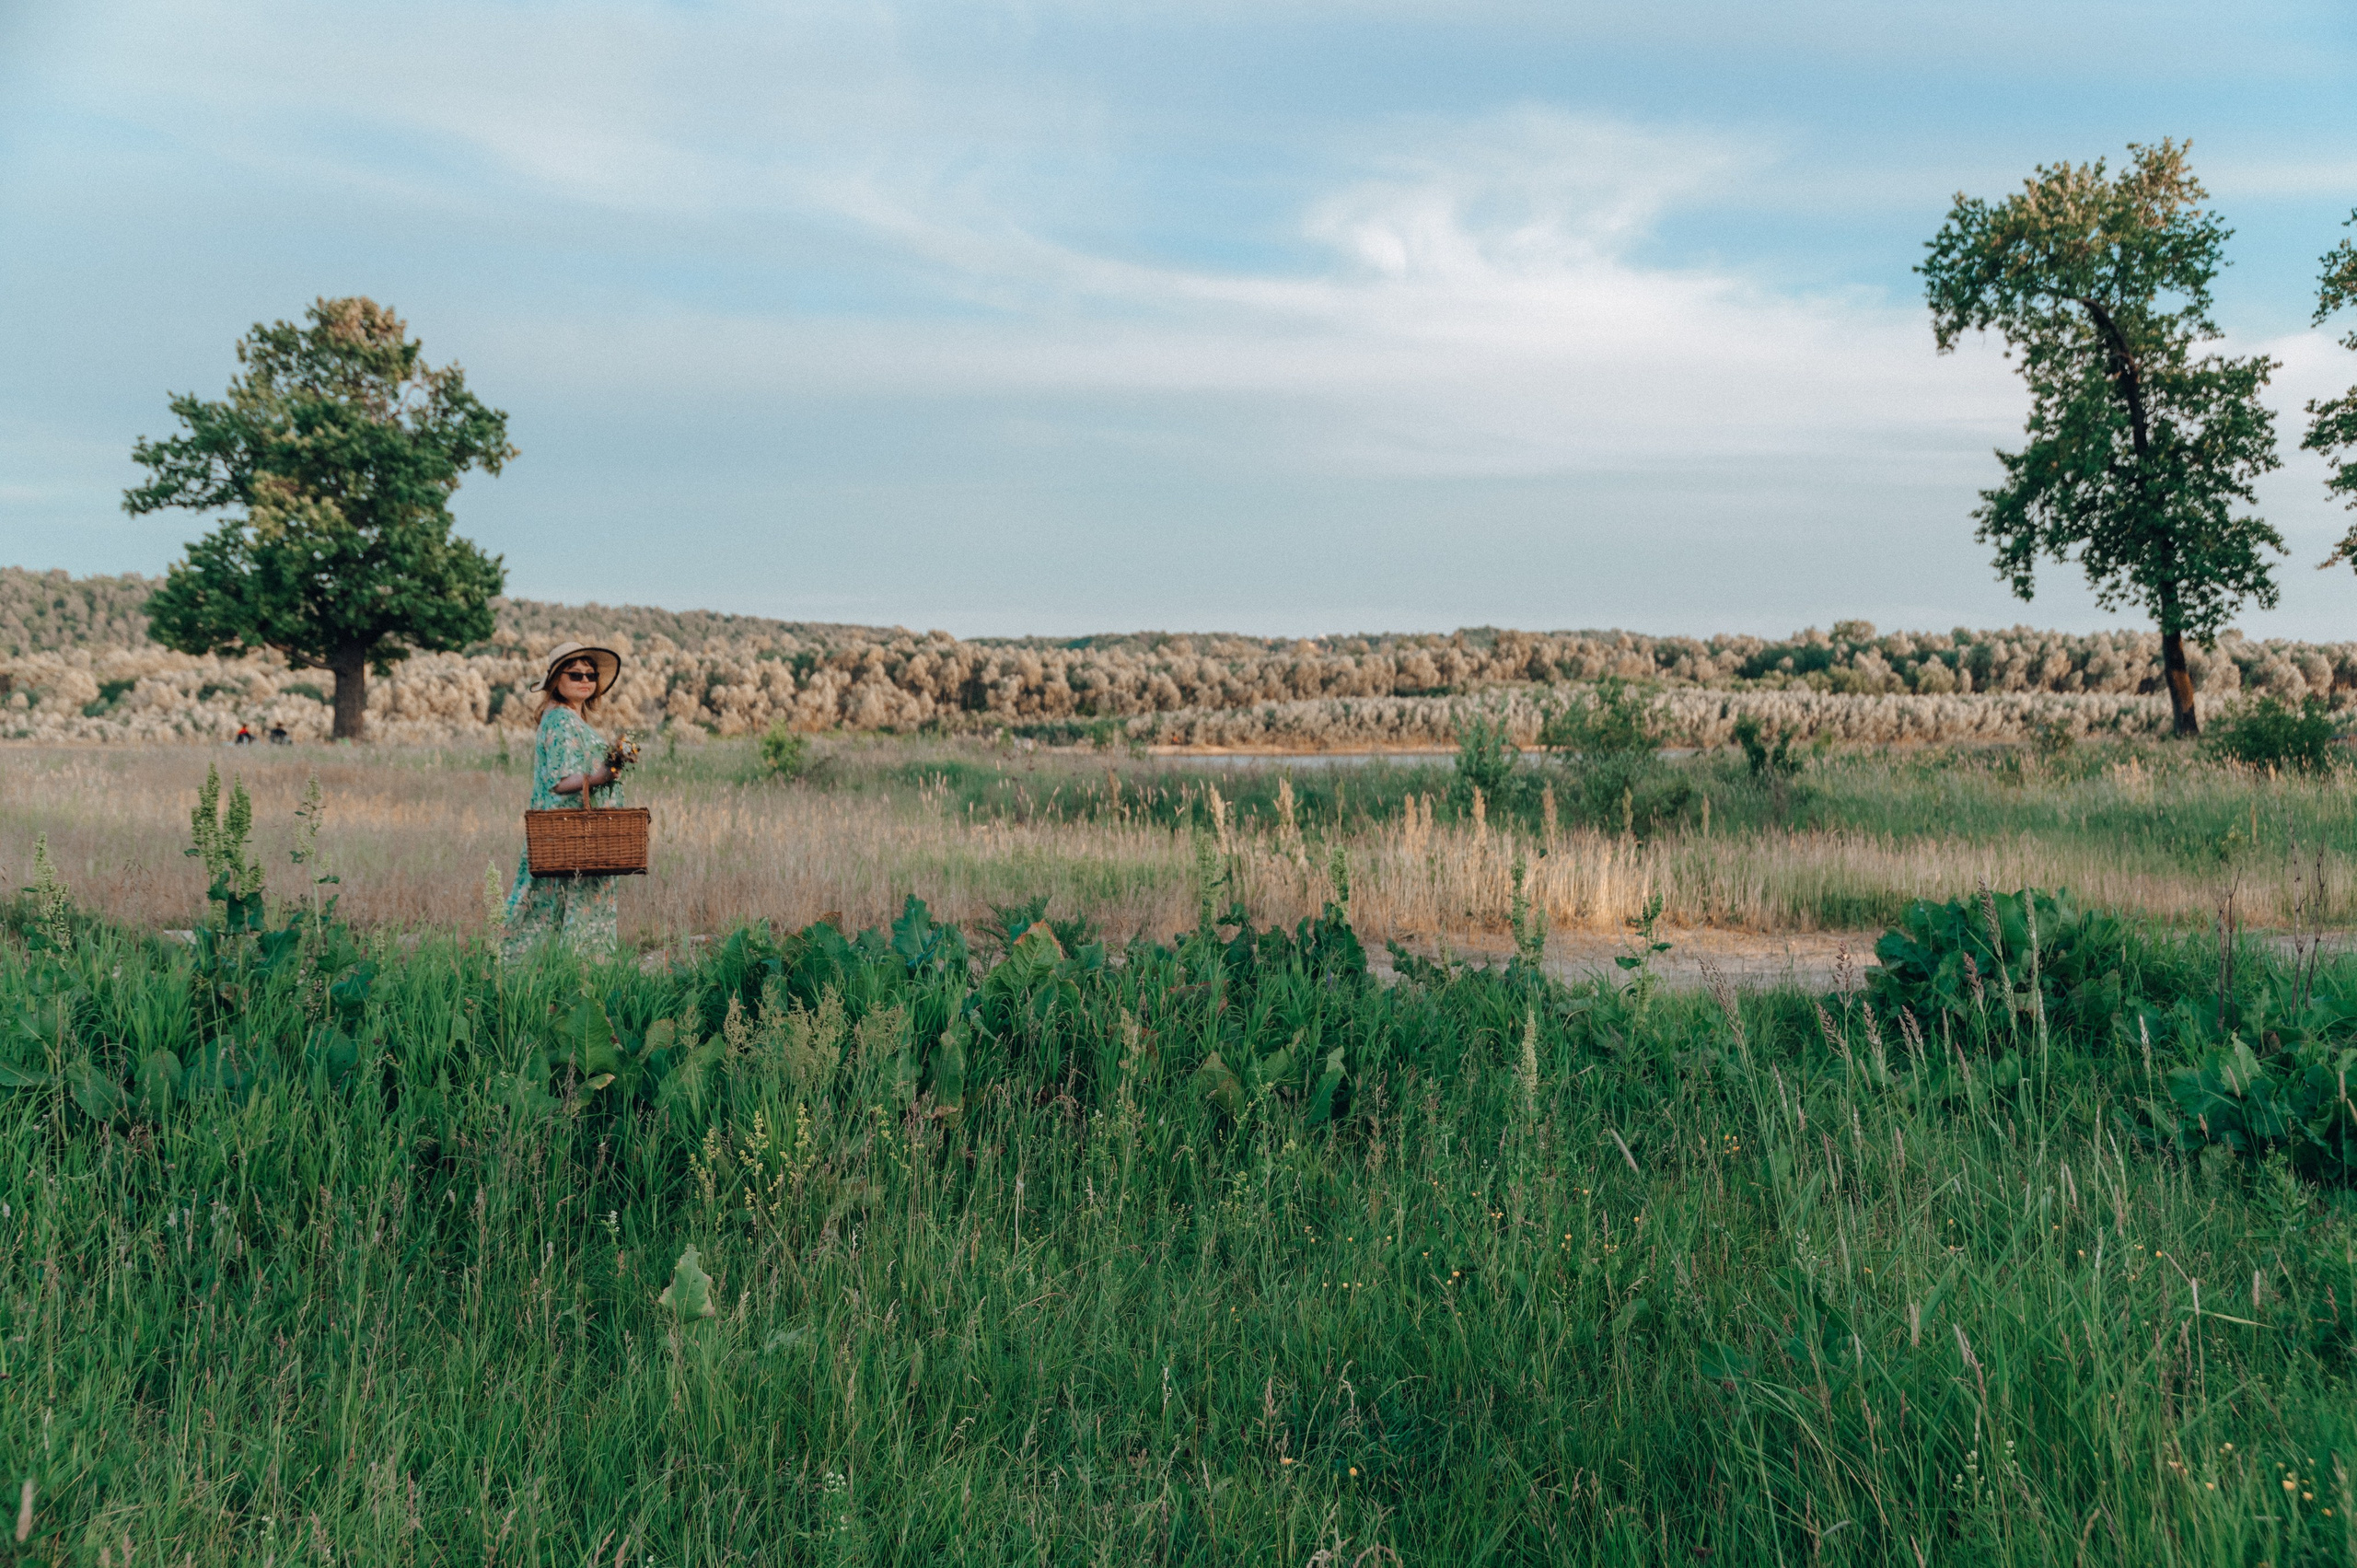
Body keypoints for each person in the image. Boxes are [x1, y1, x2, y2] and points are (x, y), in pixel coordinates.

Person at [501, 642, 633, 960]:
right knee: (554, 903)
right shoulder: (561, 719)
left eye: (591, 674)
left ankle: (546, 975)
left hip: (573, 834)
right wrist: (602, 776)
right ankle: (573, 975)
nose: (586, 679)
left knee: (547, 904)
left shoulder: (568, 718)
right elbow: (560, 782)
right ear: (557, 679)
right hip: (571, 833)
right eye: (575, 674)